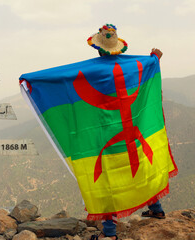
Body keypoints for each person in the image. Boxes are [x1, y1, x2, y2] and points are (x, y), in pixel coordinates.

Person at [88, 24, 166, 240]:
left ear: (98, 48)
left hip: (108, 135)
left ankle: (110, 233)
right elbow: (147, 71)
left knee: (108, 182)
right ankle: (156, 208)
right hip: (132, 130)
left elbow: (68, 81)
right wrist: (155, 59)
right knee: (141, 165)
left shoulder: (93, 71)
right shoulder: (131, 67)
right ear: (117, 47)